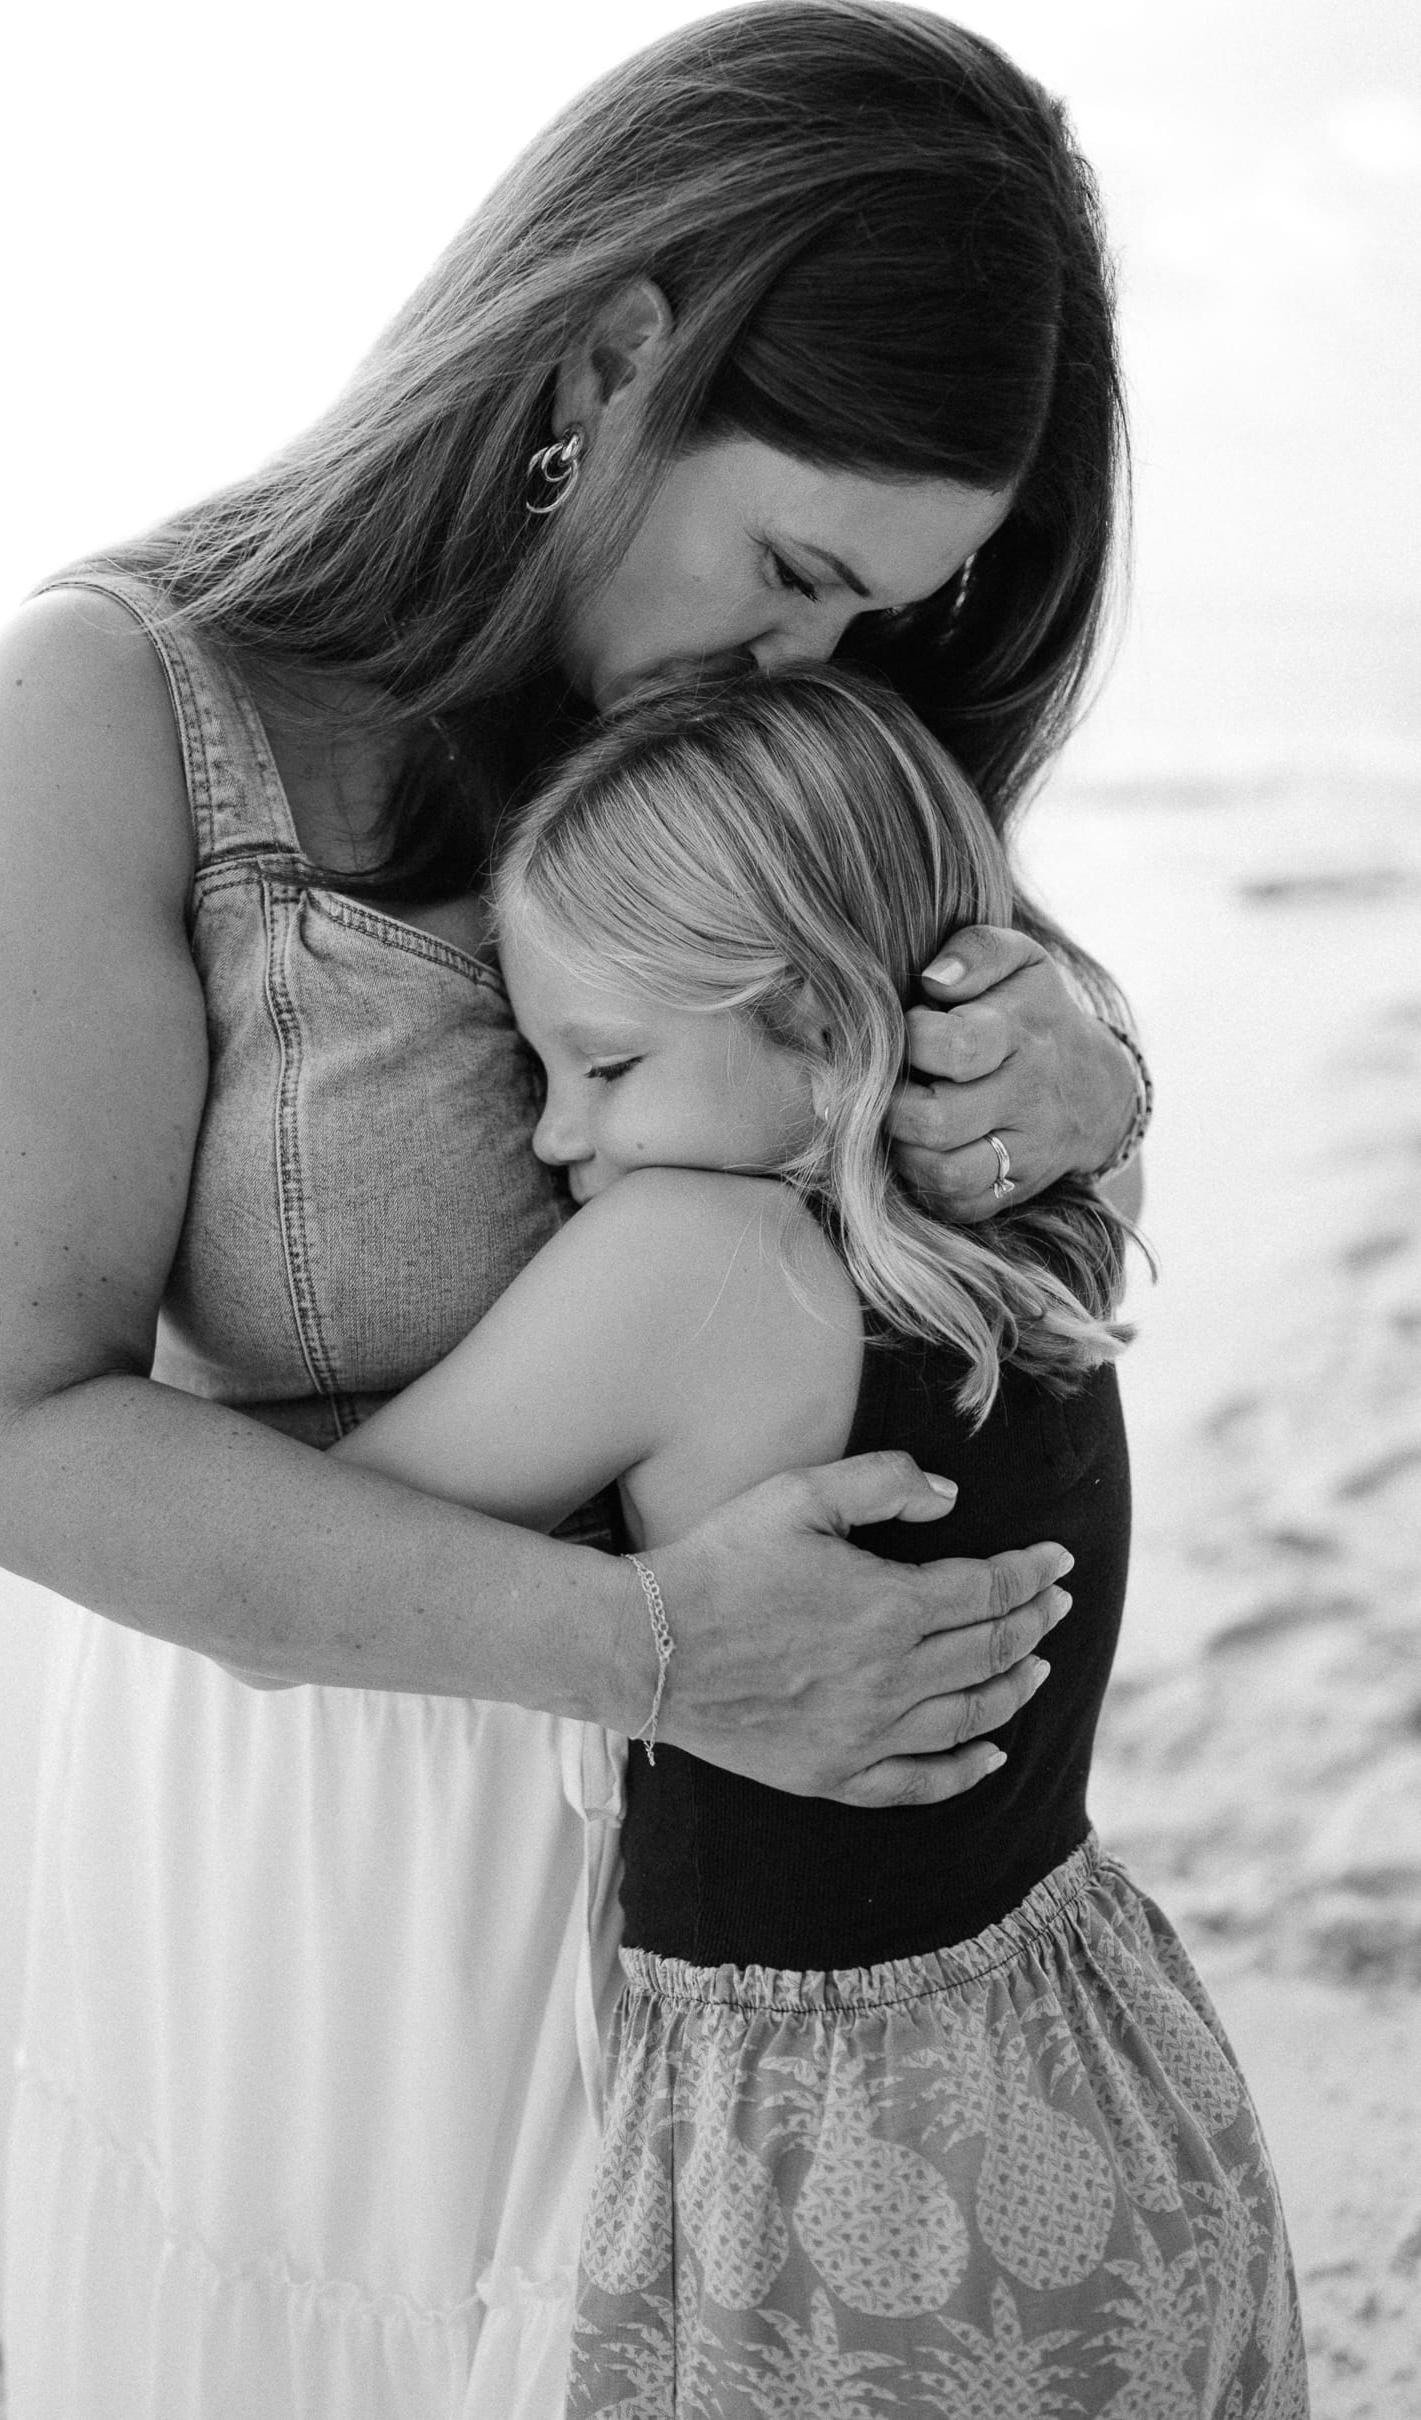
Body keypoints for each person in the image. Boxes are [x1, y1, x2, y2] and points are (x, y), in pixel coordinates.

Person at [0, 0, 1153, 2420]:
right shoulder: (120, 706)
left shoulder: (764, 753)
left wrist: (1082, 1076)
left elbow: (930, 1223)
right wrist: (653, 1654)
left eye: (884, 613)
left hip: (751, 1935)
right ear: (607, 356)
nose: (825, 662)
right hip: (320, 1862)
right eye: (794, 563)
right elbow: (4, 1432)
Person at [330, 664, 1306, 2417]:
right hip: (1116, 2064)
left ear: (818, 1025)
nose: (560, 1137)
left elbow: (318, 1555)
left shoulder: (686, 1268)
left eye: (607, 1066)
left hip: (843, 2155)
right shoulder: (1062, 1212)